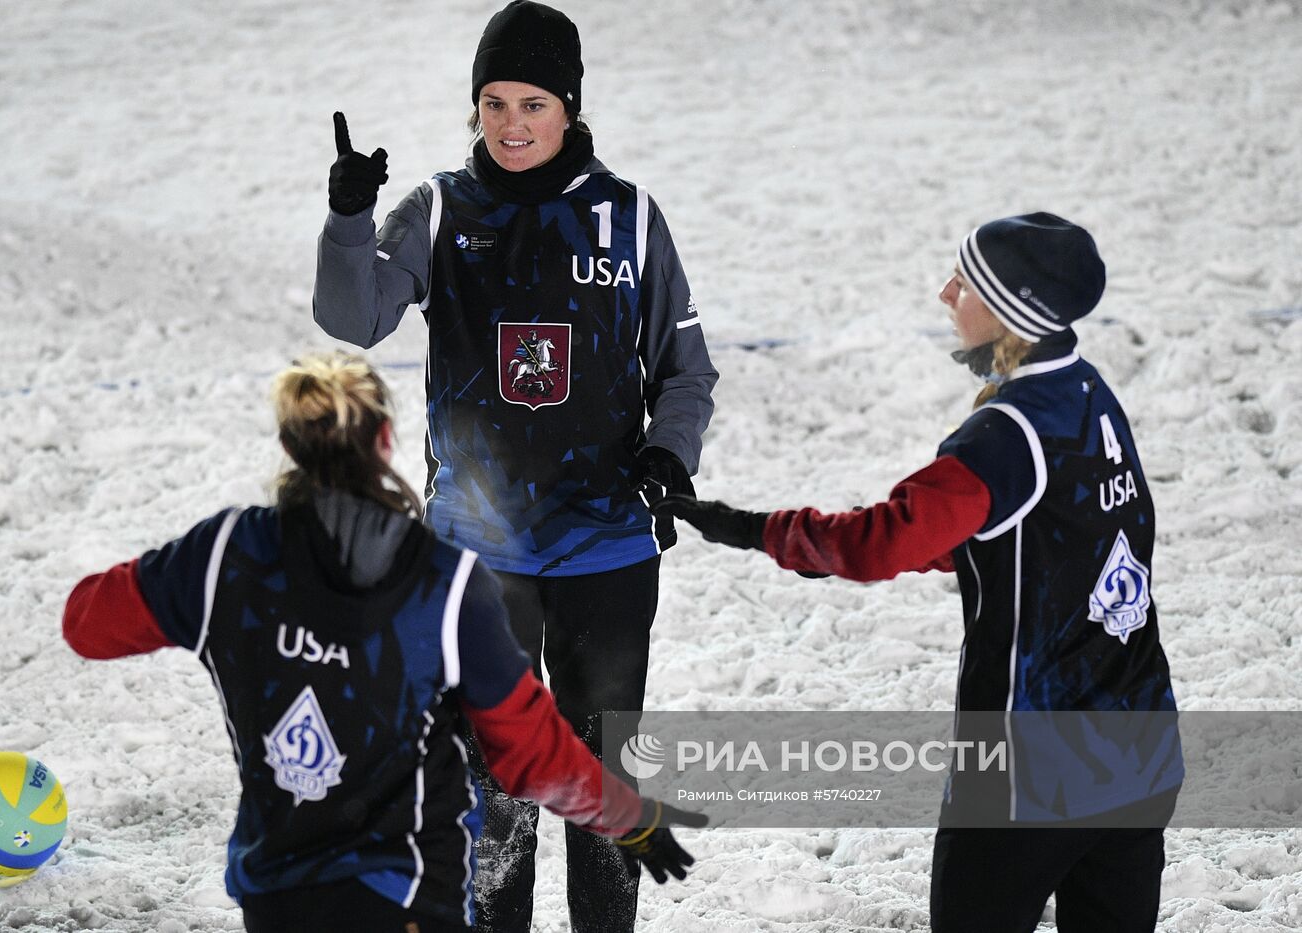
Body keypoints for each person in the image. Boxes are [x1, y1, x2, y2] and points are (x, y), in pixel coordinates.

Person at [655, 214, 1184, 933]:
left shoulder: (1002, 435)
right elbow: (1024, 532)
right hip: (1142, 749)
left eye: (963, 282)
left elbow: (880, 543)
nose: (944, 293)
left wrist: (747, 527)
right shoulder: (1092, 394)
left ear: (1009, 310)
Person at [312, 3, 717, 930]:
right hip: (479, 554)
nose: (512, 123)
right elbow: (356, 316)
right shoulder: (442, 209)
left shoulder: (630, 219)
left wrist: (668, 450)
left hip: (608, 549)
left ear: (569, 107)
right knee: (492, 788)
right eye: (493, 103)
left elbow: (686, 370)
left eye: (533, 101)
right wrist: (347, 220)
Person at [62, 352, 705, 933]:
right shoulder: (447, 584)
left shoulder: (222, 557)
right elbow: (528, 753)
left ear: (290, 446)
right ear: (387, 440)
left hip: (279, 898)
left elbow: (86, 625)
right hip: (412, 901)